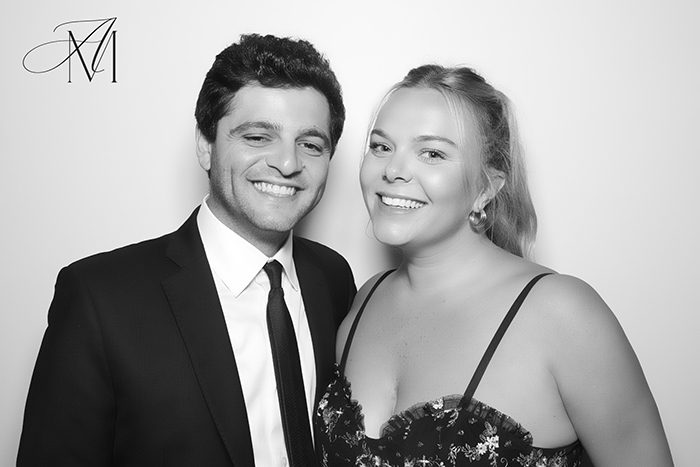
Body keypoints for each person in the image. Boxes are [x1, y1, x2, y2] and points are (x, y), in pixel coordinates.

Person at [18, 34, 356, 467]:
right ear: (205, 144)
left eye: (310, 144)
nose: (288, 163)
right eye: (257, 137)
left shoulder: (332, 277)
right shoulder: (99, 299)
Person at [315, 65, 673, 466]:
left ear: (487, 187)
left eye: (431, 153)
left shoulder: (561, 313)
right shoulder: (364, 300)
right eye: (381, 147)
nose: (393, 171)